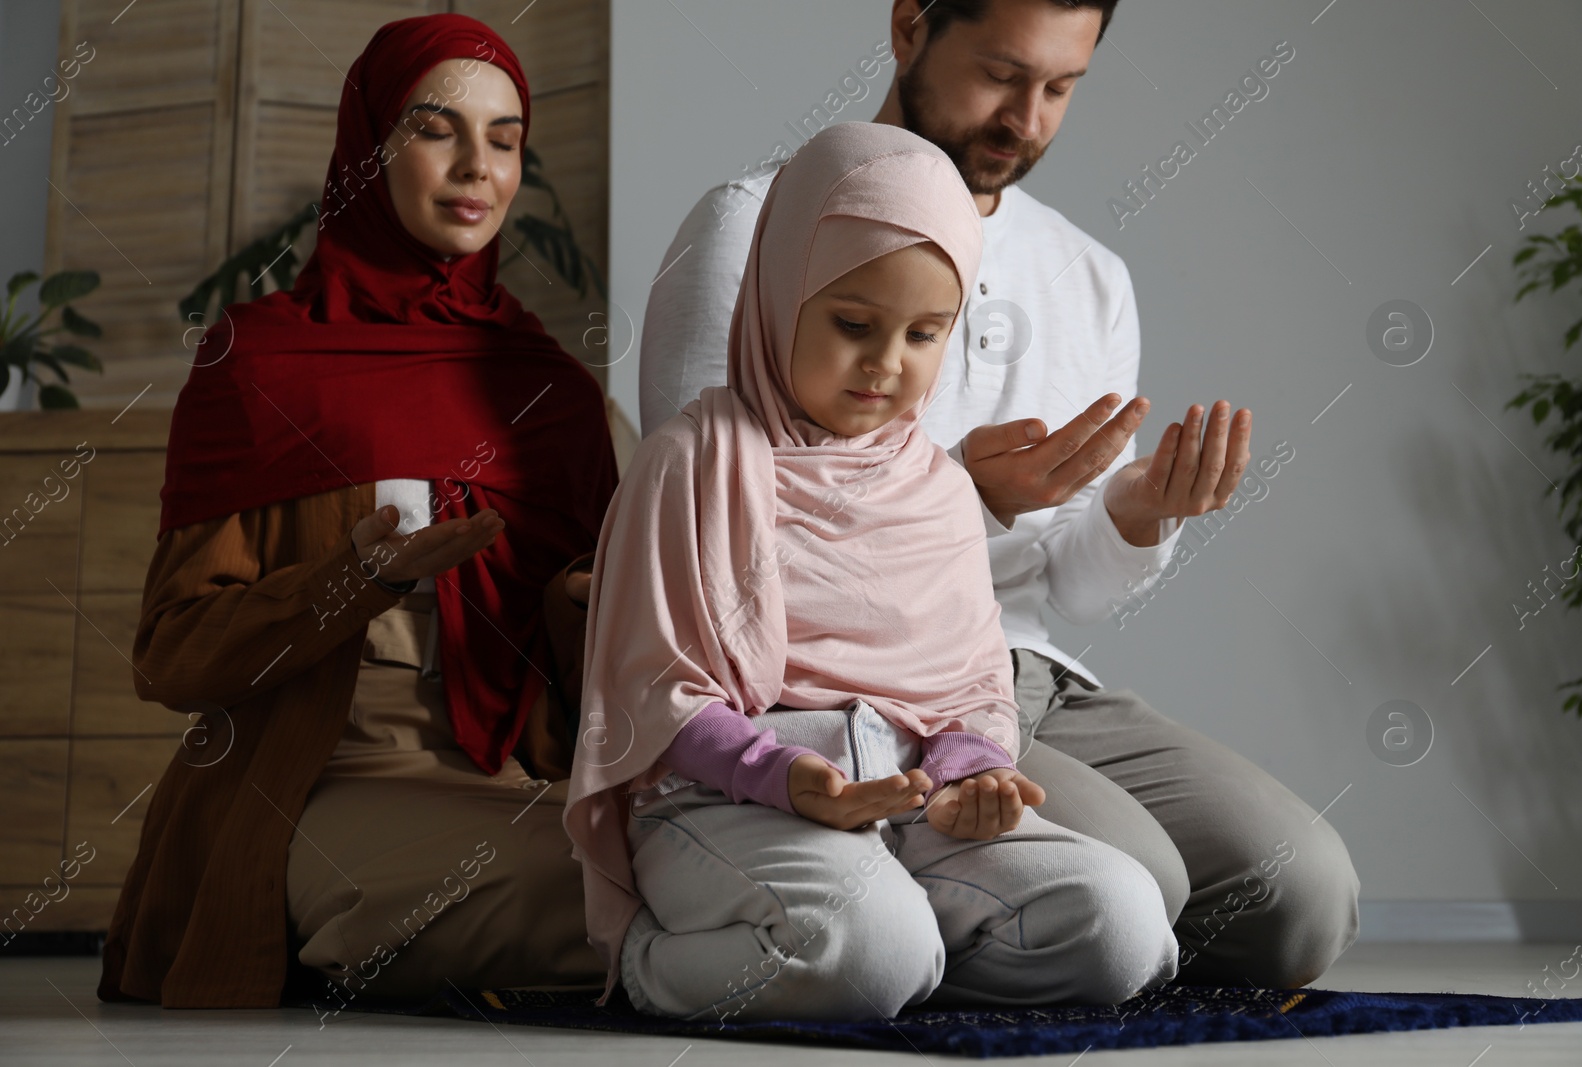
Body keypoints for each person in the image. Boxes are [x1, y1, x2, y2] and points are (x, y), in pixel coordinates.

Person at [638, 0, 1357, 988]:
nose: (1026, 118)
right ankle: (898, 935)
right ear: (908, 28)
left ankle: (1028, 938)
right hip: (851, 678)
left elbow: (1074, 591)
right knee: (1140, 876)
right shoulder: (754, 224)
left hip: (1025, 671)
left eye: (1060, 87)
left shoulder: (1089, 276)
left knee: (1302, 898)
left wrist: (1133, 516)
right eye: (1001, 74)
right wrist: (966, 497)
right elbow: (708, 540)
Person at [565, 122, 1180, 1024]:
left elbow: (972, 682)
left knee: (1123, 924)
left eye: (926, 333)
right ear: (780, 297)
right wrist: (785, 776)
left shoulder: (934, 483)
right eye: (853, 325)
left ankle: (890, 955)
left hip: (913, 794)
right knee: (868, 947)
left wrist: (972, 770)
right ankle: (660, 961)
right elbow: (650, 695)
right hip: (733, 795)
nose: (887, 364)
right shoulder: (691, 460)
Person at [98, 15, 615, 1009]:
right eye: (436, 129)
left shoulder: (550, 390)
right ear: (366, 147)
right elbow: (171, 653)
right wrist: (358, 579)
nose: (477, 167)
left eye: (504, 139)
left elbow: (580, 687)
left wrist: (585, 605)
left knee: (701, 858)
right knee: (603, 888)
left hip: (524, 781)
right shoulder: (257, 364)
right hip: (319, 780)